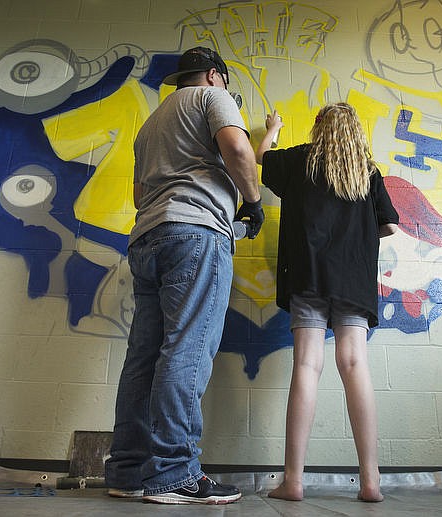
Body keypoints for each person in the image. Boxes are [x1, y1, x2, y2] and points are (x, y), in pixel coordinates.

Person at [105, 46, 264, 505]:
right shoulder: (213, 97)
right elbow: (236, 148)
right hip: (195, 234)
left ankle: (128, 469)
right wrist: (251, 203)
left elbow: (139, 196)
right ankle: (174, 473)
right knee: (187, 347)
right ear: (215, 74)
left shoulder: (150, 124)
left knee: (144, 357)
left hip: (148, 237)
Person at [255, 103, 399, 503]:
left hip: (309, 276)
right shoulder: (367, 173)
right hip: (352, 279)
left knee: (306, 365)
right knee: (355, 365)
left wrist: (274, 127)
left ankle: (293, 481)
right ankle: (371, 482)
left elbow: (261, 158)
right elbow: (387, 224)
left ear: (318, 127)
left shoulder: (301, 160)